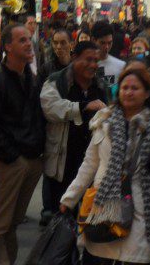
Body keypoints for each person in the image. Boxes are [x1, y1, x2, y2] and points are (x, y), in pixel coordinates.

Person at [60, 66, 150, 264]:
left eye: (135, 88)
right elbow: (89, 164)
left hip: (141, 209)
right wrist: (69, 198)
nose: (128, 92)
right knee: (100, 256)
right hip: (103, 208)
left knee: (135, 257)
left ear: (148, 93)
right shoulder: (104, 121)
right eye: (125, 87)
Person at [0, 24, 45, 265]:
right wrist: (12, 157)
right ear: (7, 47)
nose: (29, 44)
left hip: (30, 159)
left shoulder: (31, 78)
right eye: (22, 40)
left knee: (13, 222)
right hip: (10, 161)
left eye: (29, 40)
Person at [41, 41, 108, 215]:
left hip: (91, 164)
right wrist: (83, 106)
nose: (93, 65)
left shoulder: (100, 85)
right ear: (74, 58)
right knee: (62, 217)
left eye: (95, 60)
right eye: (88, 59)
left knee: (88, 218)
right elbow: (51, 108)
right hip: (63, 162)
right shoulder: (57, 81)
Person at [91, 20, 126, 89]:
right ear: (93, 40)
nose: (106, 47)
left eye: (109, 43)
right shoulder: (84, 65)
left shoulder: (121, 65)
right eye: (102, 43)